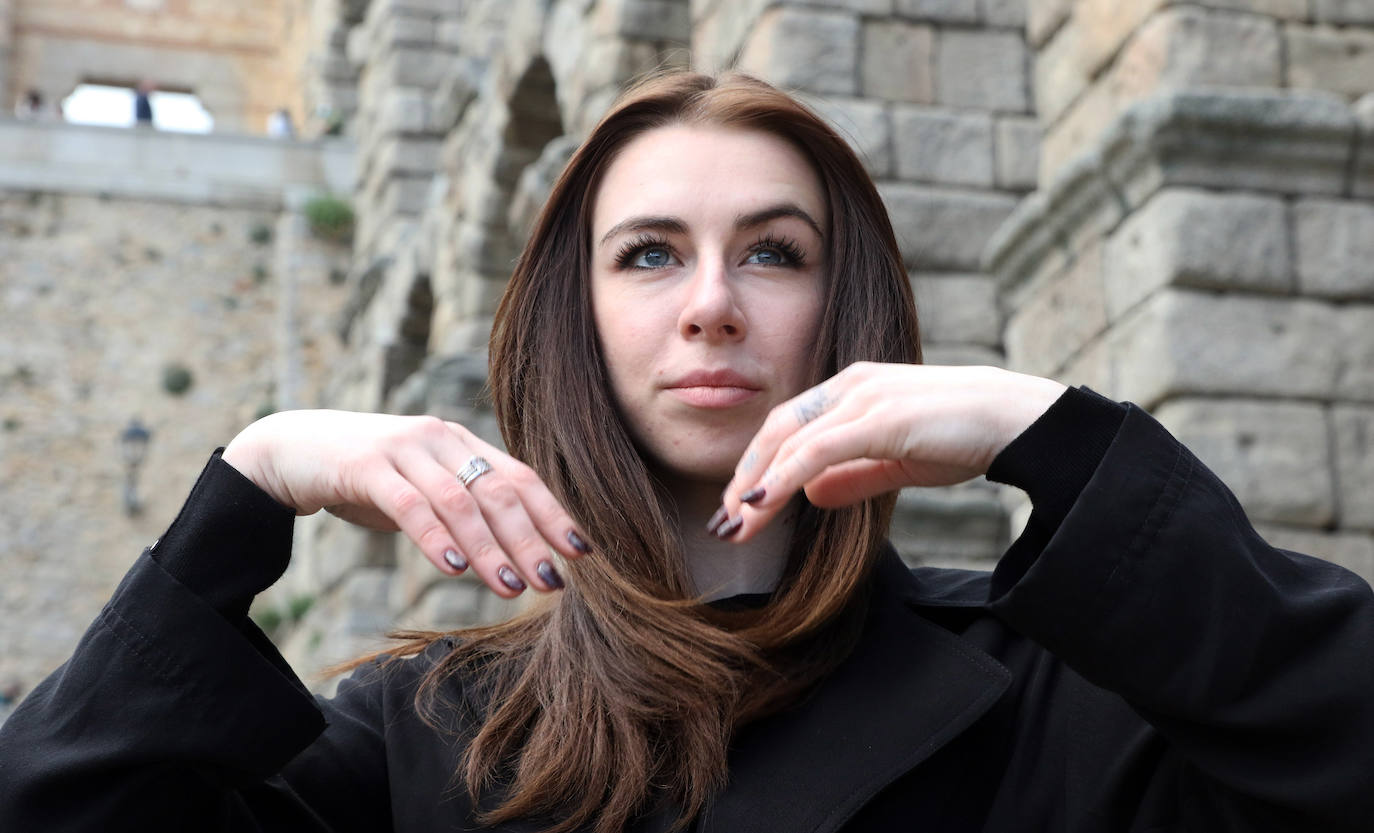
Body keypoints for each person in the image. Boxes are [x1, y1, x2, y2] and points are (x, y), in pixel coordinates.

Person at [1, 71, 1372, 832]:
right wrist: (252, 476)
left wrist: (1049, 434)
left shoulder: (1055, 700)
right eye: (649, 253)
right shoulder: (419, 742)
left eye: (772, 253)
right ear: (573, 324)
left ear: (845, 312)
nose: (711, 299)